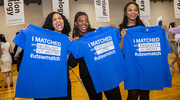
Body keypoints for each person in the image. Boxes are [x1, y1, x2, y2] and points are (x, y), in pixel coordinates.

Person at [116, 2, 172, 100]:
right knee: (133, 94)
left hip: (146, 66)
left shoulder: (145, 25)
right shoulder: (120, 28)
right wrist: (122, 37)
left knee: (145, 94)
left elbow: (153, 41)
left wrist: (162, 30)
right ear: (125, 13)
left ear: (138, 12)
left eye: (135, 10)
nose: (133, 12)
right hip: (131, 66)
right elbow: (119, 49)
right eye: (130, 10)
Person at [14, 12, 71, 100]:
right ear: (50, 23)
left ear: (64, 21)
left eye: (60, 18)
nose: (57, 20)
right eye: (54, 19)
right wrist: (27, 32)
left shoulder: (67, 39)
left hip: (59, 82)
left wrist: (70, 44)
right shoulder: (40, 36)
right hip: (42, 83)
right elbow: (26, 46)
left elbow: (64, 62)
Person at [68, 11, 122, 100]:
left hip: (106, 72)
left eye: (86, 20)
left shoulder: (96, 33)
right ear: (76, 23)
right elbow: (72, 64)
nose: (84, 23)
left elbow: (110, 44)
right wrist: (74, 46)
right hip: (89, 77)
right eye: (81, 21)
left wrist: (111, 29)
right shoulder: (76, 41)